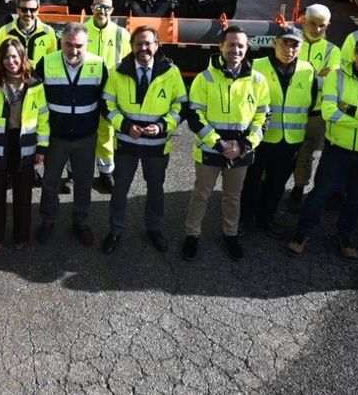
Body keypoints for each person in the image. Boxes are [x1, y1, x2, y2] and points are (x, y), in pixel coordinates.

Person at [287, 34, 358, 261]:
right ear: (354, 53)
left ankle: (345, 236)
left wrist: (349, 109)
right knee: (320, 194)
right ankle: (302, 234)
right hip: (336, 149)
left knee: (357, 198)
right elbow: (329, 112)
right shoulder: (336, 76)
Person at [182, 25, 270, 261]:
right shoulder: (205, 78)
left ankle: (230, 235)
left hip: (241, 152)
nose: (236, 49)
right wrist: (219, 144)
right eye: (231, 44)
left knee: (233, 196)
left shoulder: (258, 80)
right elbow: (195, 116)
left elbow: (263, 117)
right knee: (201, 194)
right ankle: (192, 235)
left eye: (241, 45)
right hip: (211, 150)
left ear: (247, 48)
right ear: (220, 46)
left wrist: (244, 145)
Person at [102, 26, 186, 254]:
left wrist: (162, 126)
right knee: (120, 189)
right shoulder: (117, 71)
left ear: (157, 45)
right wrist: (126, 126)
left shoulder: (171, 72)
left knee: (156, 189)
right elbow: (106, 105)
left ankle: (154, 228)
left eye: (148, 43)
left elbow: (181, 106)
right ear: (132, 46)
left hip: (157, 146)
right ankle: (116, 230)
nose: (143, 48)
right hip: (126, 143)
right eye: (139, 43)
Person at [33, 22, 107, 246]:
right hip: (56, 136)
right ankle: (48, 220)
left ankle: (81, 222)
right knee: (50, 181)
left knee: (84, 182)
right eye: (68, 44)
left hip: (86, 136)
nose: (73, 50)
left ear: (87, 44)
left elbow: (107, 98)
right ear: (60, 42)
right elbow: (34, 98)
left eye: (79, 46)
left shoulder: (98, 64)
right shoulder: (46, 62)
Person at [0, 38, 49, 253]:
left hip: (24, 144)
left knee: (23, 194)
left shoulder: (35, 85)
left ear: (22, 58)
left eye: (15, 56)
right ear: (0, 60)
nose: (11, 61)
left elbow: (43, 117)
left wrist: (42, 147)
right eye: (6, 57)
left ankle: (21, 235)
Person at [250, 27, 318, 234]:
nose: (289, 49)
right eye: (284, 43)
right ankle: (244, 218)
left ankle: (266, 219)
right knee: (251, 182)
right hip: (260, 138)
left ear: (301, 47)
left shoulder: (308, 71)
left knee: (277, 184)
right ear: (274, 43)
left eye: (294, 44)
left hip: (290, 141)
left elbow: (312, 104)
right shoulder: (256, 66)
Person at [288, 4, 341, 211]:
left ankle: (298, 189)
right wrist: (317, 76)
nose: (317, 29)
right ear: (303, 20)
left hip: (315, 114)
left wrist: (299, 78)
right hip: (288, 111)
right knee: (279, 152)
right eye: (313, 23)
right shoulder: (292, 43)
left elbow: (330, 81)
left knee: (306, 153)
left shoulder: (332, 50)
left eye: (322, 26)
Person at [85, 0, 131, 193]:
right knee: (79, 133)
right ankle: (72, 174)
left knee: (106, 133)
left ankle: (105, 173)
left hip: (109, 93)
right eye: (98, 6)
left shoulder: (122, 34)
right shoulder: (81, 30)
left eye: (106, 8)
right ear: (91, 7)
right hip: (83, 91)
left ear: (112, 11)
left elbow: (129, 65)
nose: (101, 11)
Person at [0, 0, 59, 65]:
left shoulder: (48, 31)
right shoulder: (4, 31)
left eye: (32, 10)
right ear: (17, 10)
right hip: (13, 75)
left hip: (38, 75)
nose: (28, 14)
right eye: (24, 10)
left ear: (37, 10)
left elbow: (52, 61)